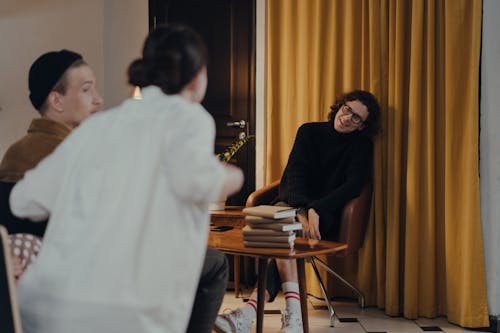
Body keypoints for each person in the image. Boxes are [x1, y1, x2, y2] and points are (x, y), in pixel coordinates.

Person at [10, 24, 244, 333]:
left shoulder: (97, 127)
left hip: (47, 309)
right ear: (197, 76)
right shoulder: (189, 116)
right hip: (129, 317)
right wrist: (231, 177)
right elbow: (194, 181)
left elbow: (23, 200)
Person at [215, 90, 381, 333]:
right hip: (292, 204)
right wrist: (303, 210)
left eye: (356, 118)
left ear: (361, 126)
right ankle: (294, 317)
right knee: (284, 224)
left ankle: (247, 314)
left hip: (328, 213)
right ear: (340, 106)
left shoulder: (361, 146)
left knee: (280, 231)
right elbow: (295, 174)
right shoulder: (309, 132)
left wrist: (318, 208)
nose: (347, 118)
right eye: (347, 109)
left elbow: (354, 185)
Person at [0, 49, 103, 276]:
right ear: (56, 100)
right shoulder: (68, 156)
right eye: (86, 89)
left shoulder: (14, 152)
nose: (98, 99)